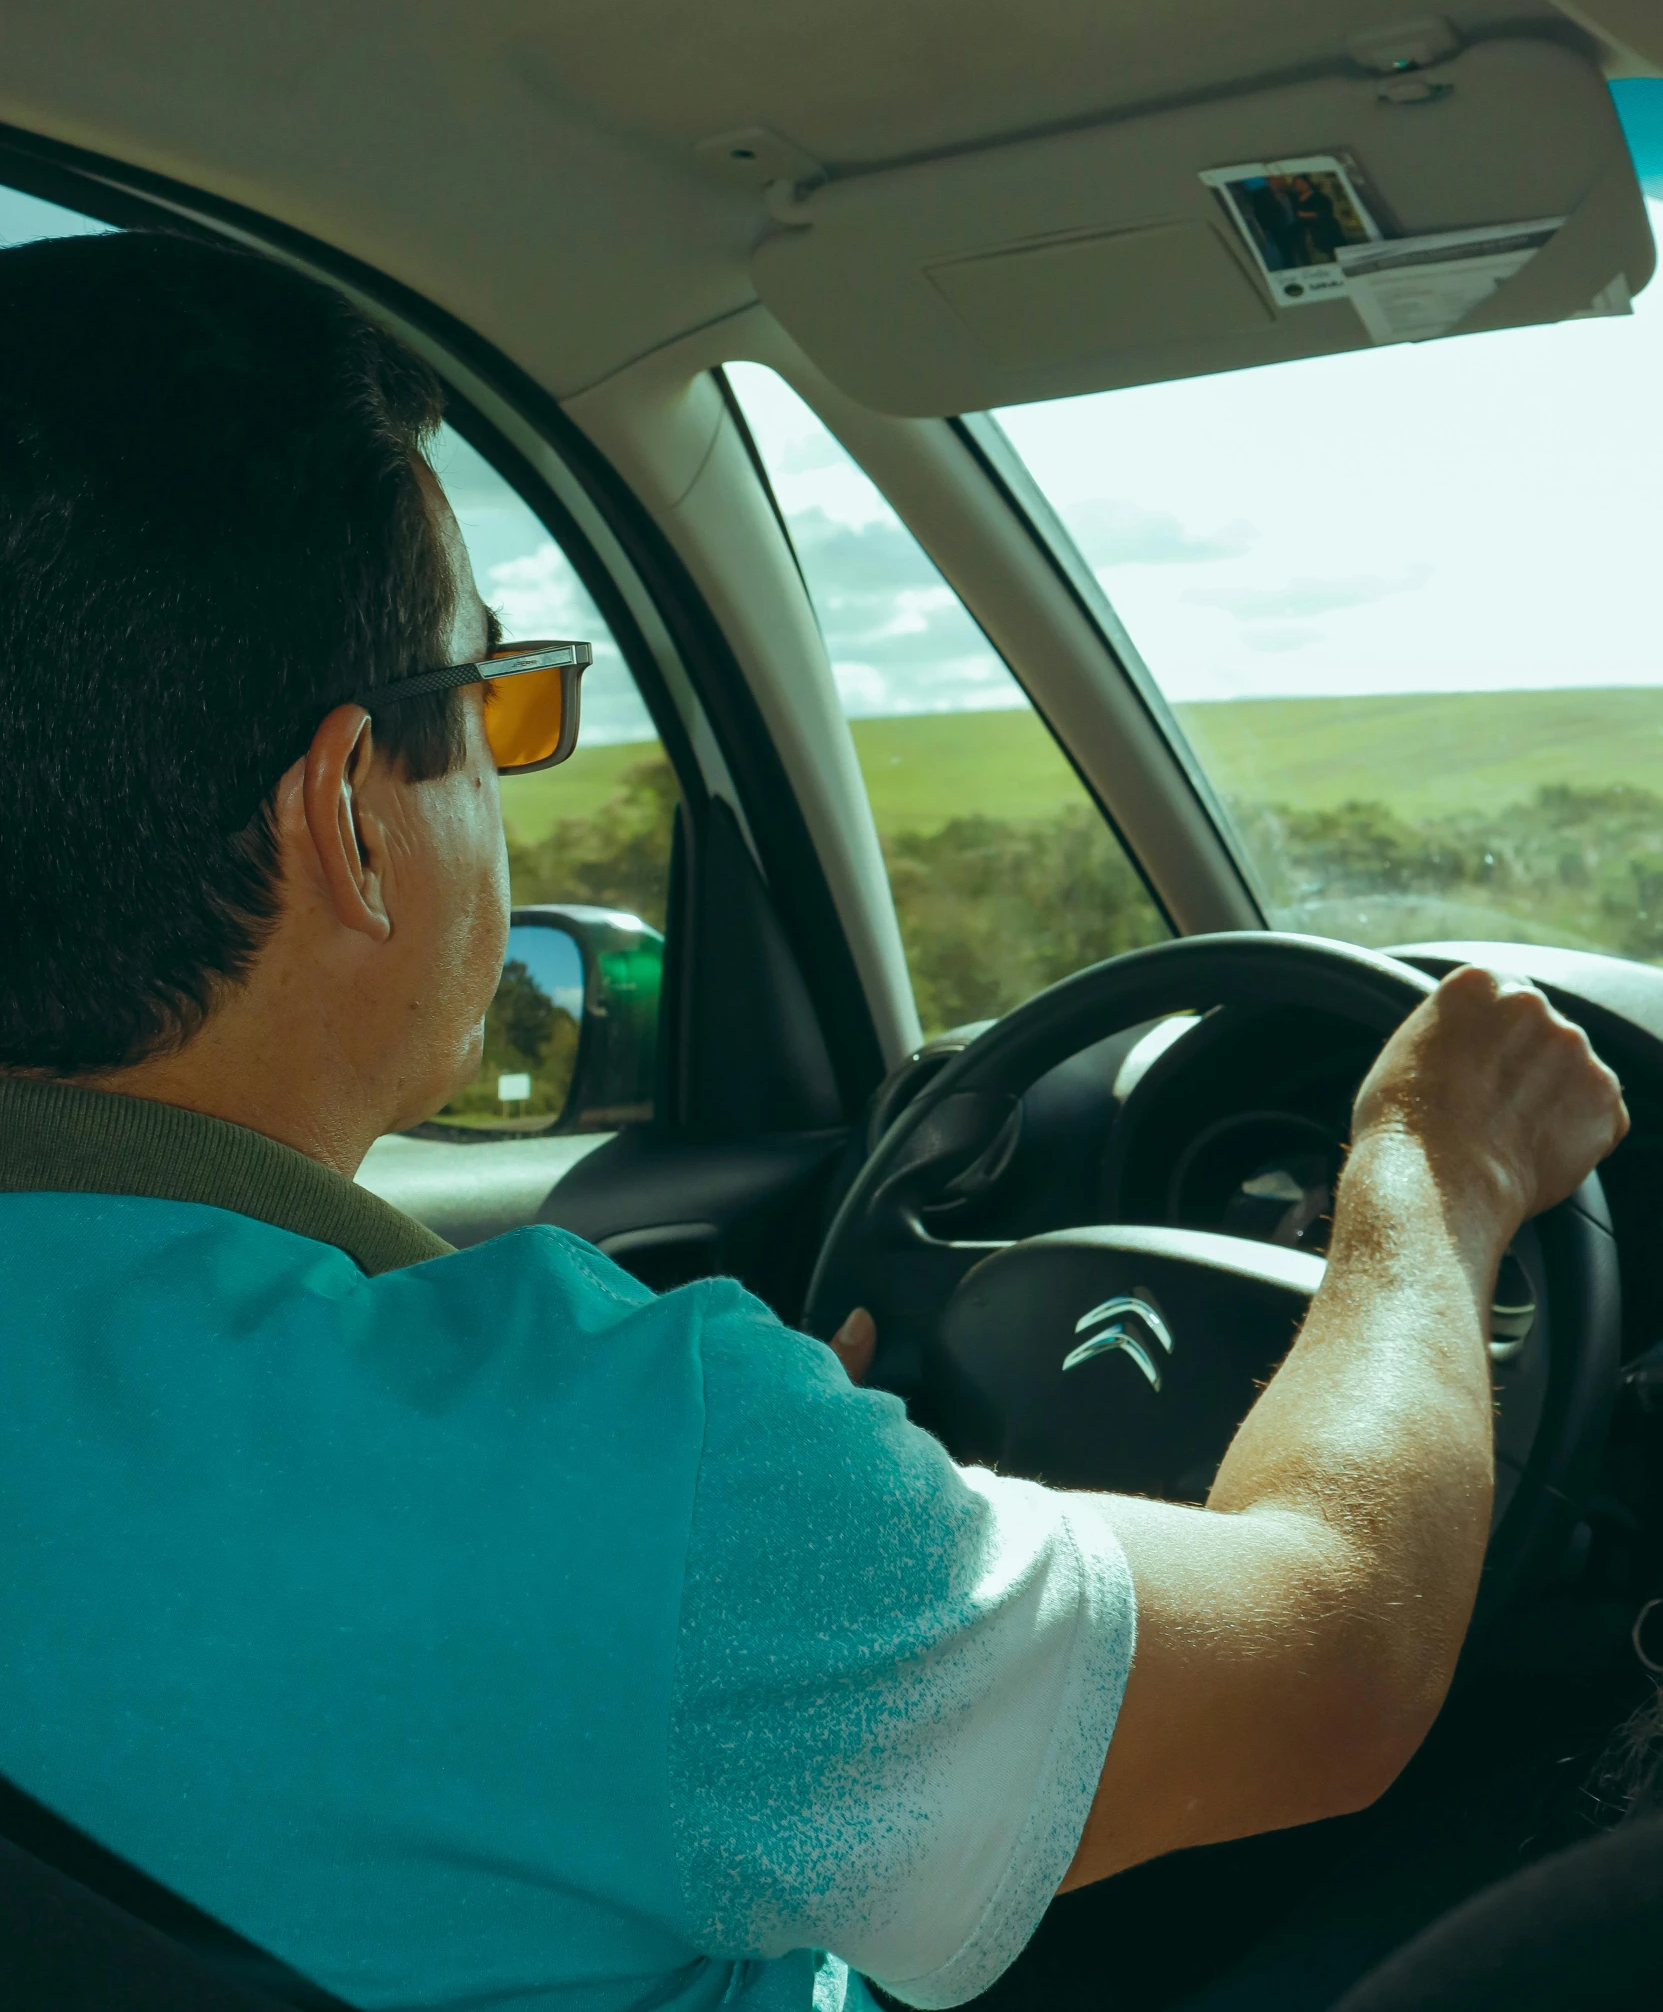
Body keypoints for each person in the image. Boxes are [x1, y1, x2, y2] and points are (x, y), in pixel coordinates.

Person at [0, 231, 1629, 2012]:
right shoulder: (607, 1465)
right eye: (487, 699)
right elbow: (1334, 1661)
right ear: (351, 819)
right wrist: (1432, 1172)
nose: (499, 764)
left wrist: (762, 1502)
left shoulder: (598, 1477)